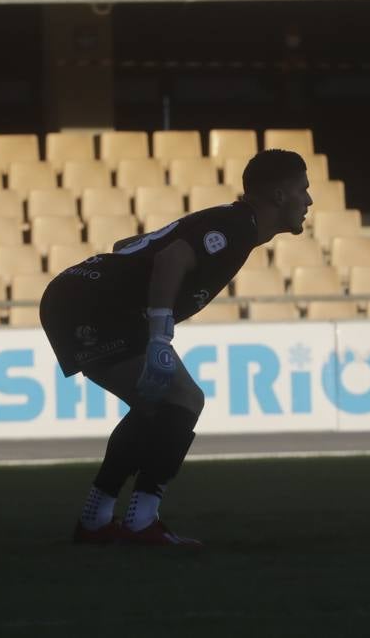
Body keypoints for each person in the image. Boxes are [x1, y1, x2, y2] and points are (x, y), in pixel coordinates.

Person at [40, 148, 312, 547]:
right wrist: (159, 335)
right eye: (303, 190)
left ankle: (96, 521)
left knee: (156, 407)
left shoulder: (229, 221)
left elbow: (128, 244)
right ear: (279, 195)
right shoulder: (236, 226)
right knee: (185, 399)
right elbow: (171, 258)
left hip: (79, 294)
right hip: (87, 303)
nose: (309, 200)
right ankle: (141, 521)